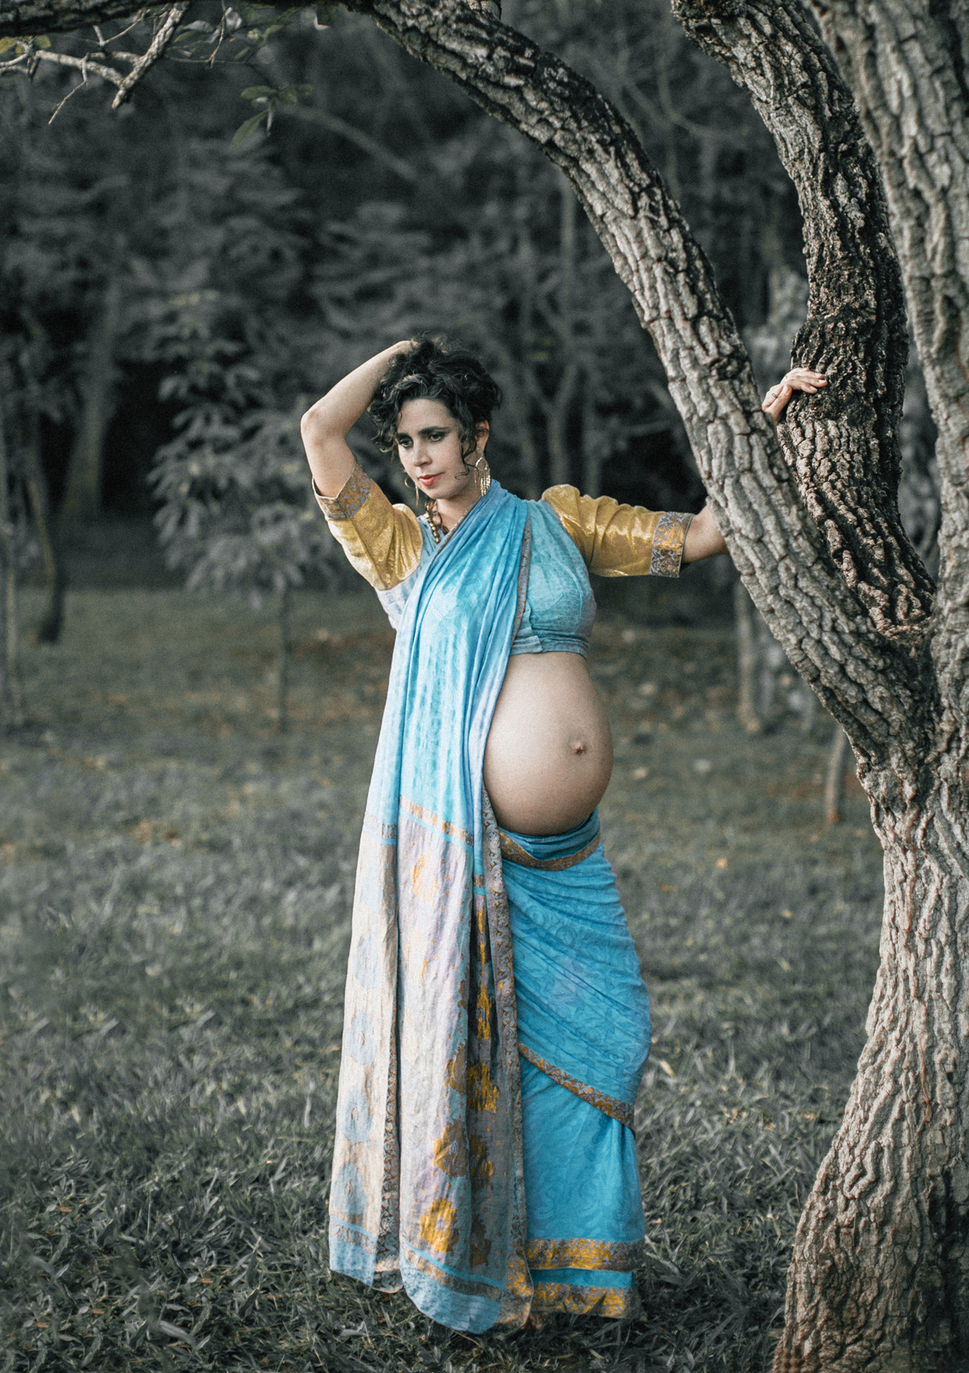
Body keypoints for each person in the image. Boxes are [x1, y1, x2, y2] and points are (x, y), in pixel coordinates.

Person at [300, 338, 825, 1331]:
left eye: (436, 435)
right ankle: (497, 1270)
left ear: (479, 434)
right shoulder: (404, 549)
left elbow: (707, 532)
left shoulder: (556, 523)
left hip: (566, 857)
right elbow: (319, 431)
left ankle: (583, 1269)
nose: (416, 458)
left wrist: (771, 420)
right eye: (407, 440)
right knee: (478, 1055)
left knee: (609, 1036)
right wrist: (402, 355)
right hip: (472, 858)